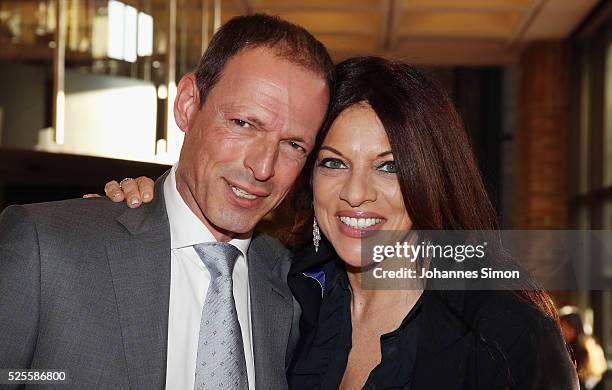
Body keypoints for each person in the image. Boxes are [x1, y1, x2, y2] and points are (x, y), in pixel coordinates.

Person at [105, 57, 579, 389]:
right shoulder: (287, 293)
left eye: (388, 166)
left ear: (431, 176)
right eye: (333, 163)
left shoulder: (505, 333)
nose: (356, 193)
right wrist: (143, 208)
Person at [0, 14, 333, 389]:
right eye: (243, 123)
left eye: (293, 145)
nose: (262, 167)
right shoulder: (47, 248)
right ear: (188, 104)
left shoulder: (296, 288)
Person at [560, 308, 607, 389]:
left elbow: (592, 377)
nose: (561, 331)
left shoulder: (585, 347)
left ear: (573, 328)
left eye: (564, 327)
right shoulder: (565, 346)